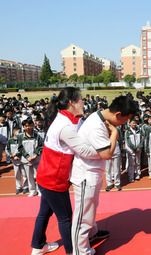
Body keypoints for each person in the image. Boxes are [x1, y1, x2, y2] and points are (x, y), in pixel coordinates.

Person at [31, 87, 100, 255]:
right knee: (66, 218)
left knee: (44, 213)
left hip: (46, 176)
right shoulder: (65, 126)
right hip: (53, 179)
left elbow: (82, 126)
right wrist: (105, 150)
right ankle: (72, 251)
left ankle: (38, 246)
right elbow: (84, 150)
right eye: (81, 99)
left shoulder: (67, 119)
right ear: (72, 102)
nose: (84, 102)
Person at [71, 96, 138, 255]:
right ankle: (80, 251)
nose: (122, 124)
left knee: (91, 209)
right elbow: (107, 153)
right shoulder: (96, 126)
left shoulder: (98, 116)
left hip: (93, 173)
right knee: (83, 216)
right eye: (124, 120)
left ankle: (91, 234)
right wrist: (114, 133)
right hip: (86, 175)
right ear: (118, 114)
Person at [18, 119, 43, 197]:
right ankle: (32, 190)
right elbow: (20, 148)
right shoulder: (21, 136)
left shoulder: (37, 135)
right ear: (23, 127)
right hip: (26, 160)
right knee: (29, 176)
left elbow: (40, 146)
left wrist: (36, 154)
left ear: (32, 125)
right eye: (26, 126)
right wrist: (27, 156)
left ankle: (39, 190)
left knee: (38, 175)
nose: (28, 127)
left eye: (29, 125)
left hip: (36, 159)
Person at [6, 127, 26, 194]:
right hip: (15, 161)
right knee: (17, 174)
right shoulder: (10, 140)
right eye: (18, 132)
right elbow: (7, 150)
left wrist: (18, 155)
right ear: (14, 132)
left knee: (24, 174)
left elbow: (23, 149)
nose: (20, 133)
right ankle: (19, 187)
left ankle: (26, 187)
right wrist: (12, 155)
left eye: (20, 132)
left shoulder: (22, 139)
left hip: (22, 160)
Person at [125, 117, 143, 182]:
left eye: (135, 123)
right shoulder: (127, 131)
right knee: (131, 163)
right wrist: (134, 148)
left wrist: (139, 147)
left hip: (138, 150)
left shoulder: (138, 130)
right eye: (133, 123)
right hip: (131, 150)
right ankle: (131, 176)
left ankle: (138, 174)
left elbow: (141, 139)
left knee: (138, 162)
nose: (134, 124)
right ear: (130, 124)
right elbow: (128, 142)